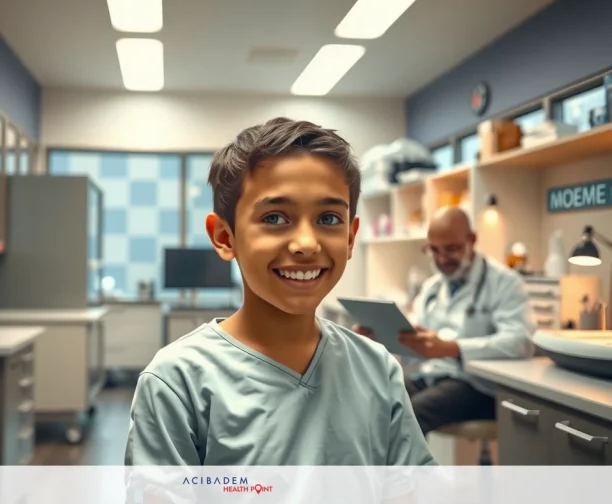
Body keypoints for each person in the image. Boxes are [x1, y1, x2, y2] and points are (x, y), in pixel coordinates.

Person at [124, 117, 436, 467]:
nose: (306, 243)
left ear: (350, 237)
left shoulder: (377, 369)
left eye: (329, 219)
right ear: (225, 237)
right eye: (274, 218)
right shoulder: (176, 382)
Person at [353, 206, 536, 435]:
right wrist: (379, 337)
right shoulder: (433, 287)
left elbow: (521, 341)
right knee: (372, 405)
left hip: (478, 386)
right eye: (434, 250)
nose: (441, 259)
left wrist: (454, 349)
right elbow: (413, 343)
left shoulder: (505, 282)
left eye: (451, 249)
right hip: (432, 377)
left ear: (472, 239)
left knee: (409, 417)